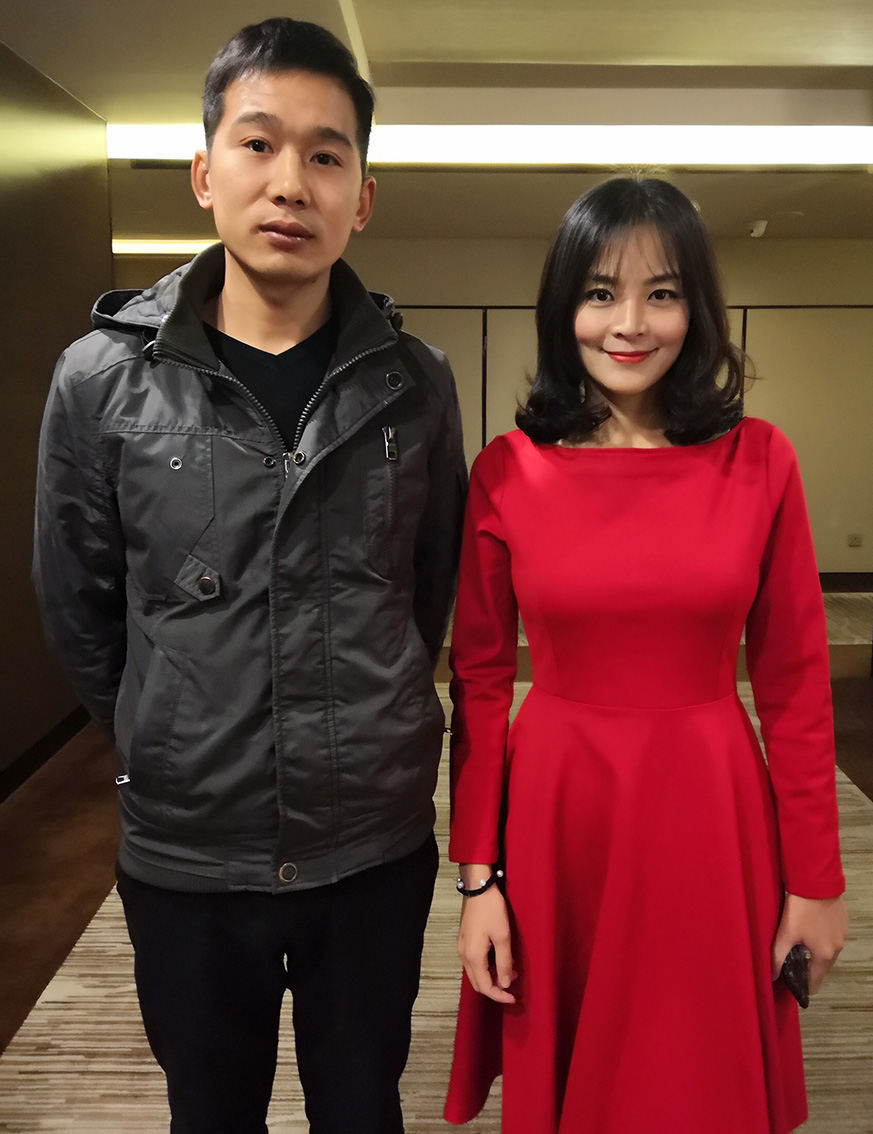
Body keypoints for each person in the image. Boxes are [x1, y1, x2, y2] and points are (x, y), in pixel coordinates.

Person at [33, 17, 466, 1134]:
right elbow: (80, 603)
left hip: (369, 845)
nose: (290, 182)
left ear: (361, 198)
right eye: (259, 144)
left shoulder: (414, 383)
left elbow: (427, 589)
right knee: (210, 1112)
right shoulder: (102, 381)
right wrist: (165, 725)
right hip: (188, 853)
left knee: (361, 1109)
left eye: (326, 155)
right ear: (203, 172)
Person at [443, 176, 847, 1133]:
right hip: (559, 811)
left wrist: (816, 882)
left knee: (695, 1072)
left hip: (709, 807)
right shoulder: (506, 470)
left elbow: (794, 687)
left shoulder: (760, 460)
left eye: (660, 293)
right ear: (563, 309)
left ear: (695, 309)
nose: (629, 323)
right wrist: (477, 879)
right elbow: (481, 687)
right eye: (599, 292)